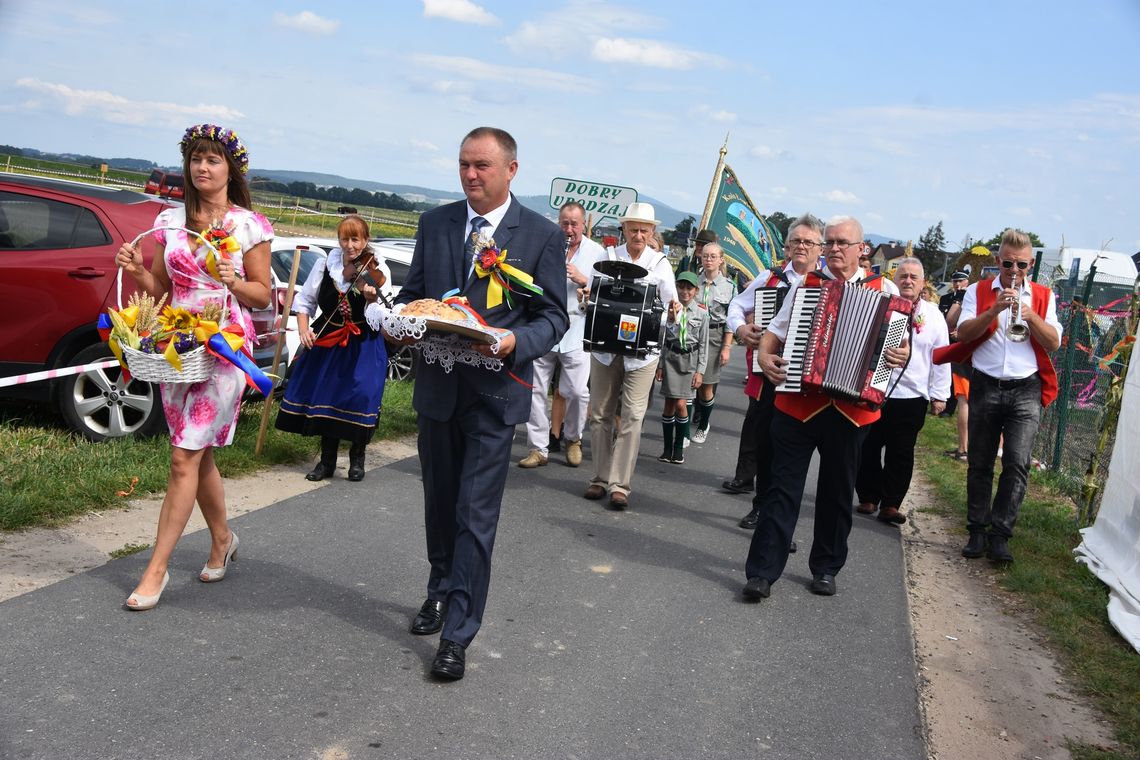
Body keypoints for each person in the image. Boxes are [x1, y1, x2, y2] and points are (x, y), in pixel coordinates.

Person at [374, 127, 567, 681]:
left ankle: (458, 633)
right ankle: (439, 589)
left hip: (495, 393)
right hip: (437, 388)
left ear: (511, 170)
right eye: (463, 164)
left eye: (482, 165)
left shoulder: (539, 235)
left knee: (474, 517)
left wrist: (514, 343)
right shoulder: (436, 223)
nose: (470, 175)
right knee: (439, 504)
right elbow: (417, 297)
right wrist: (400, 323)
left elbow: (553, 317)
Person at [114, 123, 272, 610]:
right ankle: (222, 539)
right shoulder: (168, 221)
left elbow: (263, 295)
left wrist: (233, 279)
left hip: (223, 344)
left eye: (213, 160)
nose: (203, 168)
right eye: (196, 160)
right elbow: (163, 290)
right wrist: (137, 270)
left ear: (231, 168)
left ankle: (156, 569)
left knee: (184, 455)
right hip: (177, 345)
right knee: (196, 453)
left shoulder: (249, 226)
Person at [742, 215, 908, 600]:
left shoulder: (884, 290)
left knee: (836, 493)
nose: (834, 249)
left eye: (842, 243)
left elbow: (900, 351)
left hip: (852, 411)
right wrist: (766, 361)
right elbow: (774, 334)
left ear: (861, 249)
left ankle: (827, 568)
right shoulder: (806, 285)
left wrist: (900, 354)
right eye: (829, 242)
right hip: (798, 404)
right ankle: (763, 572)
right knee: (782, 491)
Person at [942, 229, 1061, 563]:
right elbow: (963, 334)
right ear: (998, 261)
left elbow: (1053, 342)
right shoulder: (979, 291)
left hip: (1026, 388)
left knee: (1017, 463)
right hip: (985, 383)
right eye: (1007, 263)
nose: (1014, 270)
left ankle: (1001, 535)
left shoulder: (1043, 295)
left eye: (1021, 264)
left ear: (1031, 264)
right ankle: (977, 532)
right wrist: (994, 311)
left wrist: (1030, 314)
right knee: (979, 462)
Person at [727, 214, 825, 530]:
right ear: (786, 246)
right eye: (796, 240)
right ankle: (761, 506)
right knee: (766, 441)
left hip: (811, 377)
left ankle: (782, 518)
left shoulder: (828, 284)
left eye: (809, 242)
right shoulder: (769, 278)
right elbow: (736, 307)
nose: (801, 247)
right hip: (770, 372)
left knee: (793, 452)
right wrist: (741, 329)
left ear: (819, 248)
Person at [275, 215, 387, 482]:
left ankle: (357, 461)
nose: (349, 246)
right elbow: (305, 301)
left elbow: (380, 315)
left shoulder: (376, 268)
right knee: (326, 396)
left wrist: (371, 299)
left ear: (366, 240)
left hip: (363, 343)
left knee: (360, 396)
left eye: (355, 239)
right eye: (344, 239)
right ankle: (326, 462)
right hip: (329, 339)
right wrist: (304, 329)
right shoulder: (327, 264)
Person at [583, 202, 678, 510]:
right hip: (605, 349)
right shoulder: (606, 256)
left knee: (633, 416)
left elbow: (672, 307)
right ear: (623, 228)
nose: (639, 235)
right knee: (599, 414)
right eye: (633, 228)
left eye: (644, 230)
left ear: (653, 232)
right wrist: (586, 297)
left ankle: (619, 485)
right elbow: (590, 296)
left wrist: (676, 309)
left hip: (642, 354)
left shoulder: (660, 262)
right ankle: (599, 477)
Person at [855, 258, 950, 524]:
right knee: (868, 447)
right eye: (903, 276)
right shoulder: (880, 304)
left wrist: (940, 394)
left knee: (901, 451)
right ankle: (868, 496)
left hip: (912, 395)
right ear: (894, 281)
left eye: (913, 277)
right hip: (876, 391)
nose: (908, 281)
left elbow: (940, 356)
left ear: (923, 284)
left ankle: (891, 504)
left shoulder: (933, 315)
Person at [518, 201, 604, 468]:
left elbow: (608, 292)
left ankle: (574, 438)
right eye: (564, 224)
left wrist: (585, 281)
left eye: (574, 224)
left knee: (578, 392)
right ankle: (538, 448)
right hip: (545, 325)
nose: (569, 230)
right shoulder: (548, 244)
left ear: (583, 225)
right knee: (535, 388)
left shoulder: (597, 253)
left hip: (579, 326)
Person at [656, 271, 709, 464]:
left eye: (689, 288)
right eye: (681, 287)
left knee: (681, 404)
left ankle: (679, 447)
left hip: (689, 361)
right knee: (669, 404)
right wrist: (660, 365)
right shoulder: (669, 309)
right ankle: (667, 449)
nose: (685, 292)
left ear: (696, 291)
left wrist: (700, 371)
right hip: (671, 358)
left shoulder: (702, 313)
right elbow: (662, 339)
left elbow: (704, 344)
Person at [689, 243, 735, 445]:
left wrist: (726, 347)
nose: (708, 259)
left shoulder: (729, 286)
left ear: (721, 260)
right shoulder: (692, 282)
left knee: (706, 386)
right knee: (689, 383)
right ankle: (683, 430)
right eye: (705, 255)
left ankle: (703, 425)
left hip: (715, 336)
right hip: (692, 333)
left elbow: (731, 320)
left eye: (713, 256)